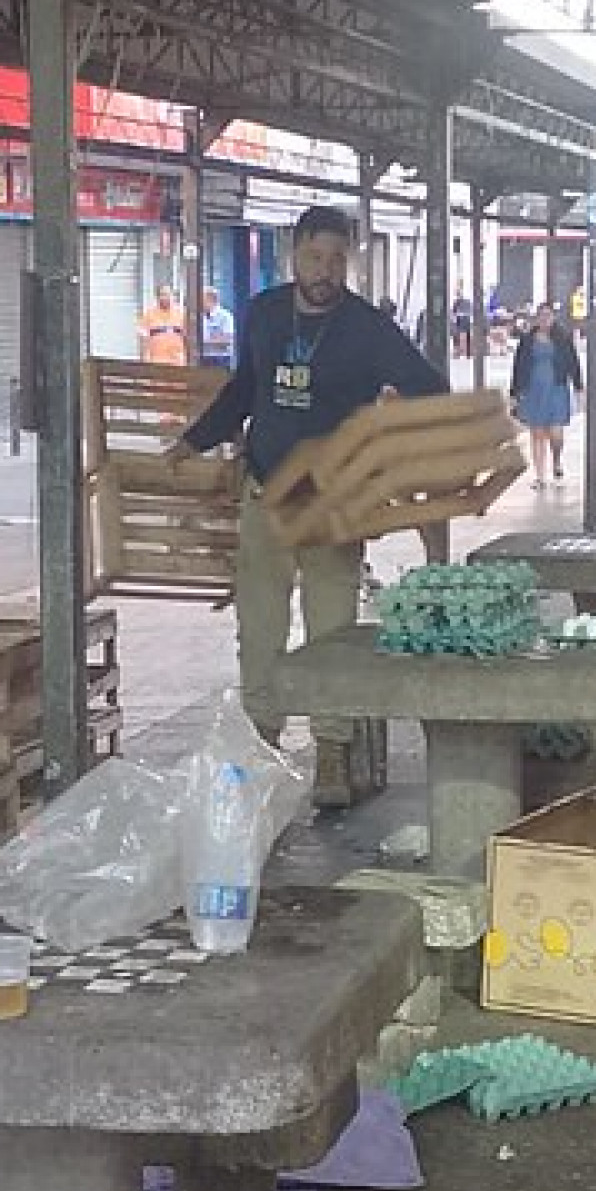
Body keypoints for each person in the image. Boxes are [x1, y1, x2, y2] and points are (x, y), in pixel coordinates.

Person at [179, 207, 445, 804]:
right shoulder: (266, 313)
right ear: (293, 254)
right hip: (266, 494)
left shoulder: (369, 329)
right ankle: (261, 748)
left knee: (332, 631)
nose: (324, 271)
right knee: (260, 629)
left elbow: (429, 387)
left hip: (334, 506)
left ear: (347, 261)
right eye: (313, 257)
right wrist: (194, 439)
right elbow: (245, 388)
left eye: (335, 260)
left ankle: (331, 751)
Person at [508, 301, 582, 490]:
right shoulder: (527, 340)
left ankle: (556, 459)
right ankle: (540, 476)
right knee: (537, 432)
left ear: (553, 317)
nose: (544, 319)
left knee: (556, 432)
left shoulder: (563, 338)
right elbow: (518, 366)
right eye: (541, 315)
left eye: (548, 315)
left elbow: (573, 362)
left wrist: (578, 386)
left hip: (556, 388)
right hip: (534, 390)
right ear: (536, 318)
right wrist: (515, 393)